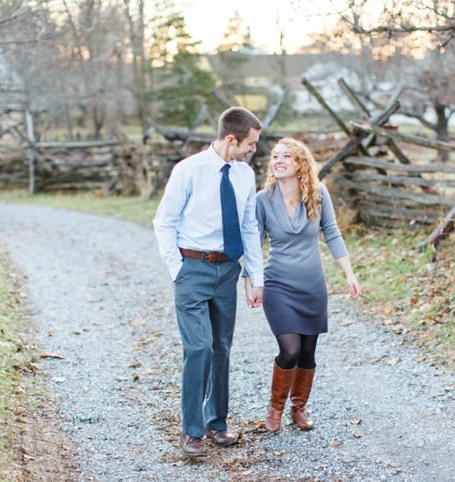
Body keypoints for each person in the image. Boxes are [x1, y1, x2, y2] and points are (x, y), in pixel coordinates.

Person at [153, 106, 265, 457]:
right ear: (231, 139)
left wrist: (253, 275)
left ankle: (216, 423)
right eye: (251, 143)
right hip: (193, 268)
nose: (254, 150)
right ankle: (191, 432)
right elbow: (164, 222)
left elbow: (249, 227)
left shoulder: (245, 175)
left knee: (221, 347)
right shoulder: (188, 171)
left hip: (227, 270)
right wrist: (178, 269)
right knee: (198, 347)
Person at [244, 137, 361, 433]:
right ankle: (275, 409)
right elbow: (254, 245)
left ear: (300, 163)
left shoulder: (318, 195)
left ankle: (299, 408)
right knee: (290, 349)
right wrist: (250, 282)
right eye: (275, 156)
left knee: (308, 353)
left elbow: (332, 233)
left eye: (286, 156)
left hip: (312, 287)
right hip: (278, 285)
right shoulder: (263, 200)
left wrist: (349, 273)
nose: (278, 161)